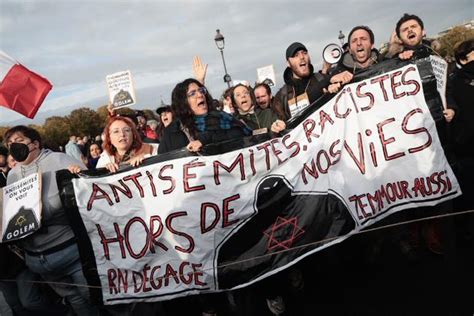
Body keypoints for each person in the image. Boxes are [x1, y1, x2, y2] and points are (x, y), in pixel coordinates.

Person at [3, 125, 98, 315]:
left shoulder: (59, 160)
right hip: (39, 260)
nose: (14, 147)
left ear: (35, 143)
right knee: (74, 299)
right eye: (10, 144)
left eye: (19, 141)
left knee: (93, 297)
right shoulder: (13, 175)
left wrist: (77, 177)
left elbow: (90, 192)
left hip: (71, 251)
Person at [159, 78, 251, 154]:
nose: (200, 95)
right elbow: (162, 161)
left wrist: (205, 139)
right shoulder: (173, 132)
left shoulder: (221, 117)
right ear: (182, 102)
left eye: (201, 90)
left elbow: (243, 132)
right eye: (192, 93)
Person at [273, 42, 335, 121]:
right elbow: (278, 124)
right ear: (288, 63)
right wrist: (277, 127)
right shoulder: (282, 96)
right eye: (296, 55)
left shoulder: (324, 79)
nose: (302, 57)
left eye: (304, 53)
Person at [92, 116, 159, 173]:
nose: (122, 134)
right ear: (109, 138)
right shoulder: (105, 159)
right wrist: (104, 171)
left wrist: (148, 161)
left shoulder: (153, 149)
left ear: (133, 134)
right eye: (116, 131)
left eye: (126, 130)